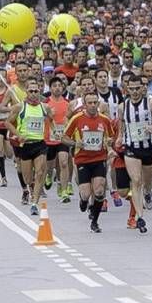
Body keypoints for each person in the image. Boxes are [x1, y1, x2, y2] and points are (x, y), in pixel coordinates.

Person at [117, 74, 152, 234]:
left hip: (149, 147)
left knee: (146, 182)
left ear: (142, 88)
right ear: (127, 89)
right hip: (131, 147)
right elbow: (121, 125)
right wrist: (119, 137)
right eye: (131, 89)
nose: (134, 92)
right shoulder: (122, 107)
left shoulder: (151, 103)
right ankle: (140, 216)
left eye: (137, 88)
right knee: (136, 181)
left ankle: (148, 192)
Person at [62, 91, 115, 233]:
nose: (92, 105)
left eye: (95, 103)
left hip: (99, 158)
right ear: (84, 105)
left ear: (98, 104)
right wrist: (75, 144)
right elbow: (64, 138)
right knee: (85, 193)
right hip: (83, 159)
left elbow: (111, 137)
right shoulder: (77, 119)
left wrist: (110, 142)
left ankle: (95, 221)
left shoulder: (104, 119)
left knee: (99, 190)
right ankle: (83, 201)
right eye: (89, 103)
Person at [5, 79, 50, 216]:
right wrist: (18, 135)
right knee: (28, 178)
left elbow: (52, 120)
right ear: (26, 92)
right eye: (31, 91)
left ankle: (35, 203)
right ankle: (30, 188)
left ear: (39, 92)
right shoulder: (20, 107)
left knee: (40, 172)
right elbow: (8, 123)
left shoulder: (44, 107)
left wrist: (55, 132)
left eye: (36, 91)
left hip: (39, 144)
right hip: (25, 145)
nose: (34, 94)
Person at [44, 77, 72, 201]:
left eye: (59, 85)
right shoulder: (45, 103)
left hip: (62, 138)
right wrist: (48, 115)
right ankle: (49, 175)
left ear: (63, 87)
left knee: (64, 162)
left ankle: (64, 190)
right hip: (49, 139)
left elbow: (71, 119)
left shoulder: (68, 103)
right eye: (54, 85)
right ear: (50, 88)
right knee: (50, 165)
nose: (57, 88)